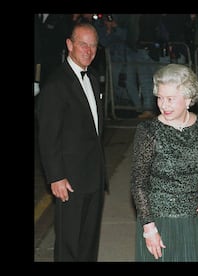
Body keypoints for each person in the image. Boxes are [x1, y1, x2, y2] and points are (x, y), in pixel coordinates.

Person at [130, 63, 198, 262]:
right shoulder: (149, 132)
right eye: (160, 98)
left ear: (188, 99)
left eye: (170, 99)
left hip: (197, 220)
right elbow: (138, 183)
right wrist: (149, 228)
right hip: (161, 222)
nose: (164, 105)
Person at [37, 22, 108, 262]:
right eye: (82, 44)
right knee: (69, 244)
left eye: (93, 46)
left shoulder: (94, 78)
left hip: (93, 177)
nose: (88, 50)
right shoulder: (56, 84)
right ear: (69, 45)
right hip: (69, 179)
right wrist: (56, 176)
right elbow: (48, 136)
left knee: (89, 241)